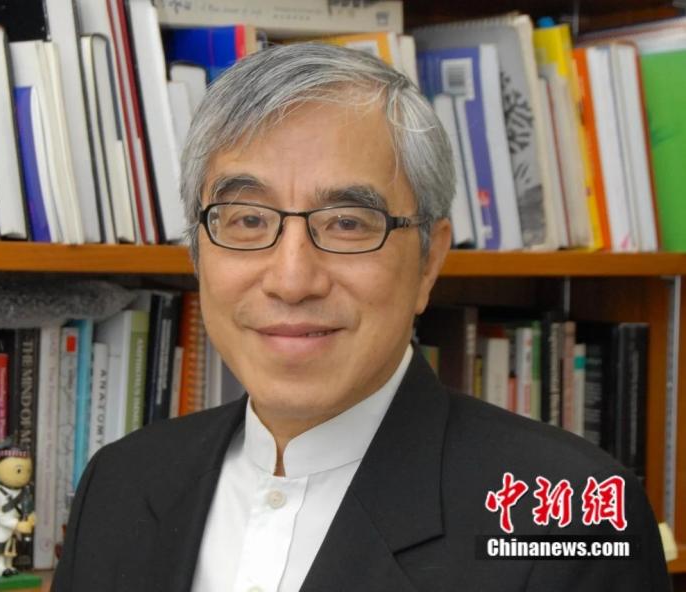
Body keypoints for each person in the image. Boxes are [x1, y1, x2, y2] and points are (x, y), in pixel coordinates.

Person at [52, 43, 670, 592]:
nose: (292, 280)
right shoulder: (121, 483)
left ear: (428, 261)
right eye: (248, 220)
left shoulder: (566, 520)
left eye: (347, 223)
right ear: (197, 251)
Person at [0, 445, 36, 578]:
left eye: (28, 471)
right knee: (1, 552)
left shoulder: (24, 492)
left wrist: (31, 518)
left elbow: (27, 509)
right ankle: (0, 568)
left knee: (11, 551)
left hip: (14, 532)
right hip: (0, 531)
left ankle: (9, 567)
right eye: (19, 470)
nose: (24, 475)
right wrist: (16, 524)